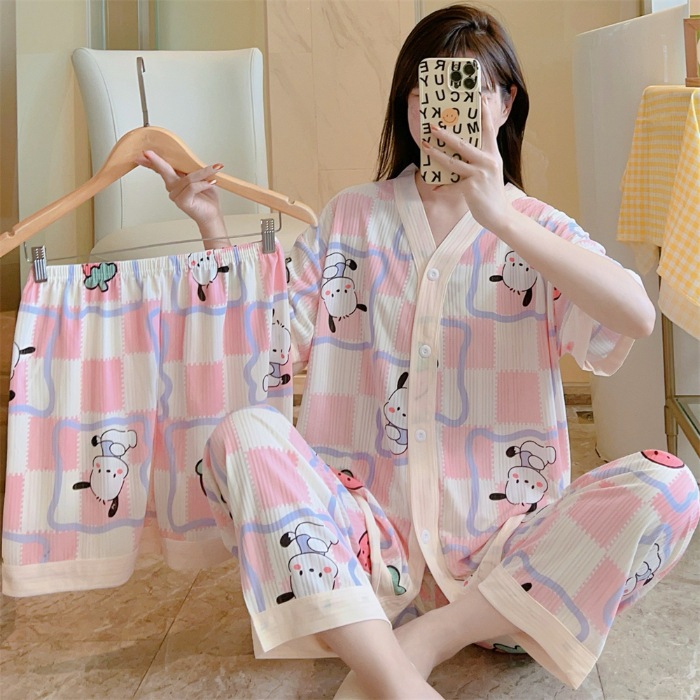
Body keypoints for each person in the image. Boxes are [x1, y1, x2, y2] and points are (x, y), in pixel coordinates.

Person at [136, 4, 699, 698]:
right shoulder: (352, 216)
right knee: (241, 434)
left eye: (471, 89)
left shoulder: (535, 229)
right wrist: (212, 228)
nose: (445, 110)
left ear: (505, 103)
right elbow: (263, 349)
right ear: (406, 104)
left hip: (505, 572)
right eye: (424, 90)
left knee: (672, 488)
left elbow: (635, 315)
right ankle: (400, 682)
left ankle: (427, 641)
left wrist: (501, 217)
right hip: (365, 562)